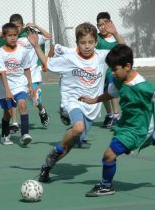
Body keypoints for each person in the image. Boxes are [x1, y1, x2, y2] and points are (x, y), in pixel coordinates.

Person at [78, 44, 155, 197]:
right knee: (117, 150)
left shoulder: (143, 87)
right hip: (126, 123)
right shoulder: (118, 78)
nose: (112, 72)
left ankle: (106, 186)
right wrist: (93, 100)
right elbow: (111, 93)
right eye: (110, 68)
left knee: (109, 155)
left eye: (115, 69)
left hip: (140, 128)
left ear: (127, 66)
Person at [28, 21, 124, 181]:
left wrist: (115, 34)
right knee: (78, 128)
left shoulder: (101, 57)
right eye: (83, 43)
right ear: (77, 43)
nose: (87, 46)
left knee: (69, 145)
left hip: (91, 107)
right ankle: (64, 117)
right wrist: (36, 46)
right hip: (72, 99)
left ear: (95, 42)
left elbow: (123, 52)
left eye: (90, 42)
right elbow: (47, 63)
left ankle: (47, 165)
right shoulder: (71, 58)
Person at [0, 14, 51, 131]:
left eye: (18, 26)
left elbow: (48, 36)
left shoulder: (29, 37)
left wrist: (36, 26)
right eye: (13, 27)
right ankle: (15, 123)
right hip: (16, 77)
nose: (16, 29)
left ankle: (41, 109)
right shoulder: (8, 40)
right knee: (14, 98)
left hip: (32, 74)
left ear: (22, 26)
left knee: (34, 100)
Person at [0, 22, 33, 146]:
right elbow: (2, 73)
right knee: (9, 113)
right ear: (4, 37)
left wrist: (30, 85)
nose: (13, 38)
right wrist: (7, 91)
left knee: (22, 104)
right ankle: (5, 135)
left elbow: (27, 68)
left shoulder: (23, 51)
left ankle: (25, 134)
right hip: (4, 86)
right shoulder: (1, 52)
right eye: (10, 35)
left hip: (19, 84)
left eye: (15, 35)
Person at [96, 12, 121, 129]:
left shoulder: (115, 38)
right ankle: (109, 114)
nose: (102, 26)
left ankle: (116, 116)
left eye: (105, 23)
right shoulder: (96, 39)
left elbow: (123, 47)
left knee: (113, 90)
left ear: (110, 24)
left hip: (112, 72)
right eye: (100, 24)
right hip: (100, 72)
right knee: (104, 93)